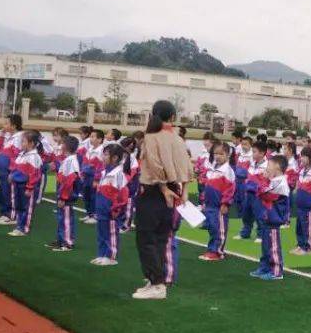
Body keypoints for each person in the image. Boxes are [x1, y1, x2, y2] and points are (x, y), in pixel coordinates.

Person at [134, 100, 194, 300]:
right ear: (173, 117)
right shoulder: (177, 138)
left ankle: (157, 283)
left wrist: (162, 187)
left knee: (147, 238)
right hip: (173, 189)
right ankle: (156, 281)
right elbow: (187, 167)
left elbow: (153, 165)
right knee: (160, 238)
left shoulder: (151, 137)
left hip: (155, 191)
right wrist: (183, 190)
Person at [251, 156, 290, 280]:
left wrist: (261, 180)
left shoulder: (280, 182)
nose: (266, 169)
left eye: (269, 166)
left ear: (277, 167)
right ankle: (265, 267)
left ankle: (277, 271)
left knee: (273, 246)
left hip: (274, 219)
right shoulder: (274, 181)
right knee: (266, 246)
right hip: (268, 217)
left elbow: (263, 193)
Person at [92, 143, 130, 266]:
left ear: (115, 158)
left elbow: (122, 195)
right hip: (102, 209)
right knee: (102, 232)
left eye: (106, 154)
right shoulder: (104, 172)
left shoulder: (118, 174)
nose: (103, 157)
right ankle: (102, 254)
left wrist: (115, 209)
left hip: (111, 211)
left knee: (111, 233)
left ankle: (111, 256)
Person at [199, 141, 236, 261]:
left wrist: (225, 203)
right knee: (212, 227)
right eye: (215, 154)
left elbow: (230, 189)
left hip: (219, 205)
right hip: (210, 205)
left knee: (219, 228)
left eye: (221, 154)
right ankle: (211, 249)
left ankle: (218, 252)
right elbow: (207, 186)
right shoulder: (213, 167)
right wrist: (204, 201)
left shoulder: (228, 170)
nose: (218, 156)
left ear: (227, 155)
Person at [8, 130, 43, 237]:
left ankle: (24, 228)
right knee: (19, 206)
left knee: (27, 208)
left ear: (31, 143)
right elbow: (15, 167)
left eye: (23, 141)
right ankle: (19, 226)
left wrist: (30, 187)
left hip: (27, 187)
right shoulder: (22, 154)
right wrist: (12, 175)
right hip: (18, 185)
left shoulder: (34, 157)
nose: (21, 144)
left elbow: (34, 175)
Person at [48, 135, 80, 251]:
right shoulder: (68, 160)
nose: (61, 146)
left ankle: (67, 242)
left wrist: (63, 197)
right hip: (63, 193)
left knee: (66, 218)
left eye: (63, 144)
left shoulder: (71, 161)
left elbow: (69, 181)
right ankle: (61, 239)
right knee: (62, 217)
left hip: (66, 196)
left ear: (66, 146)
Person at [291, 146, 311, 256]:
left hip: (309, 206)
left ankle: (308, 247)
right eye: (301, 156)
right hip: (300, 205)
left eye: (303, 156)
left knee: (308, 228)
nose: (301, 158)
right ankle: (300, 245)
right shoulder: (302, 171)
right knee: (299, 227)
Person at [0, 114, 24, 226]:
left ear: (14, 126)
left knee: (9, 193)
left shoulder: (18, 138)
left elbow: (17, 155)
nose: (4, 125)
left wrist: (13, 171)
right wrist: (1, 135)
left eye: (6, 123)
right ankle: (4, 213)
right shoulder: (9, 137)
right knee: (3, 192)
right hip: (3, 171)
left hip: (9, 171)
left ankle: (11, 215)